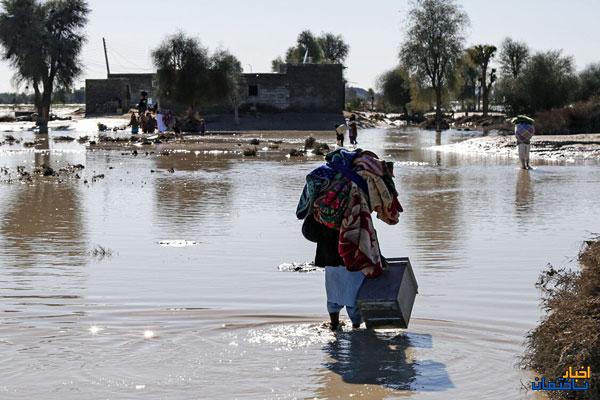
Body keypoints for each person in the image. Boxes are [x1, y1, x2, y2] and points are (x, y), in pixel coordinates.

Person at [297, 149, 403, 330]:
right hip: (353, 249)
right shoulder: (360, 188)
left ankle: (334, 325)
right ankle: (355, 327)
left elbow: (311, 226)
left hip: (328, 251)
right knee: (354, 294)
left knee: (333, 293)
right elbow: (366, 227)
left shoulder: (329, 187)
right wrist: (378, 256)